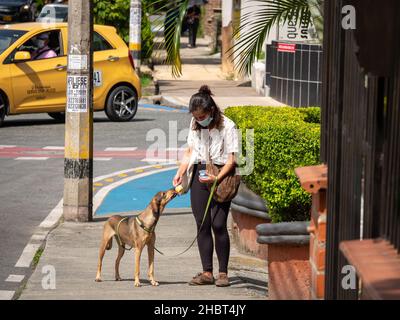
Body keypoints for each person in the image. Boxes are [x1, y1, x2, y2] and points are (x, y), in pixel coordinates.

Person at [173, 85, 239, 287]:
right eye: (196, 117)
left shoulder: (228, 126)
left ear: (211, 110)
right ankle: (207, 272)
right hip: (199, 174)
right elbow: (190, 151)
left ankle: (223, 273)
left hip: (221, 175)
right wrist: (180, 172)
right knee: (202, 223)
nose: (199, 120)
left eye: (202, 116)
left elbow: (232, 160)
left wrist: (217, 178)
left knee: (218, 224)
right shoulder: (195, 124)